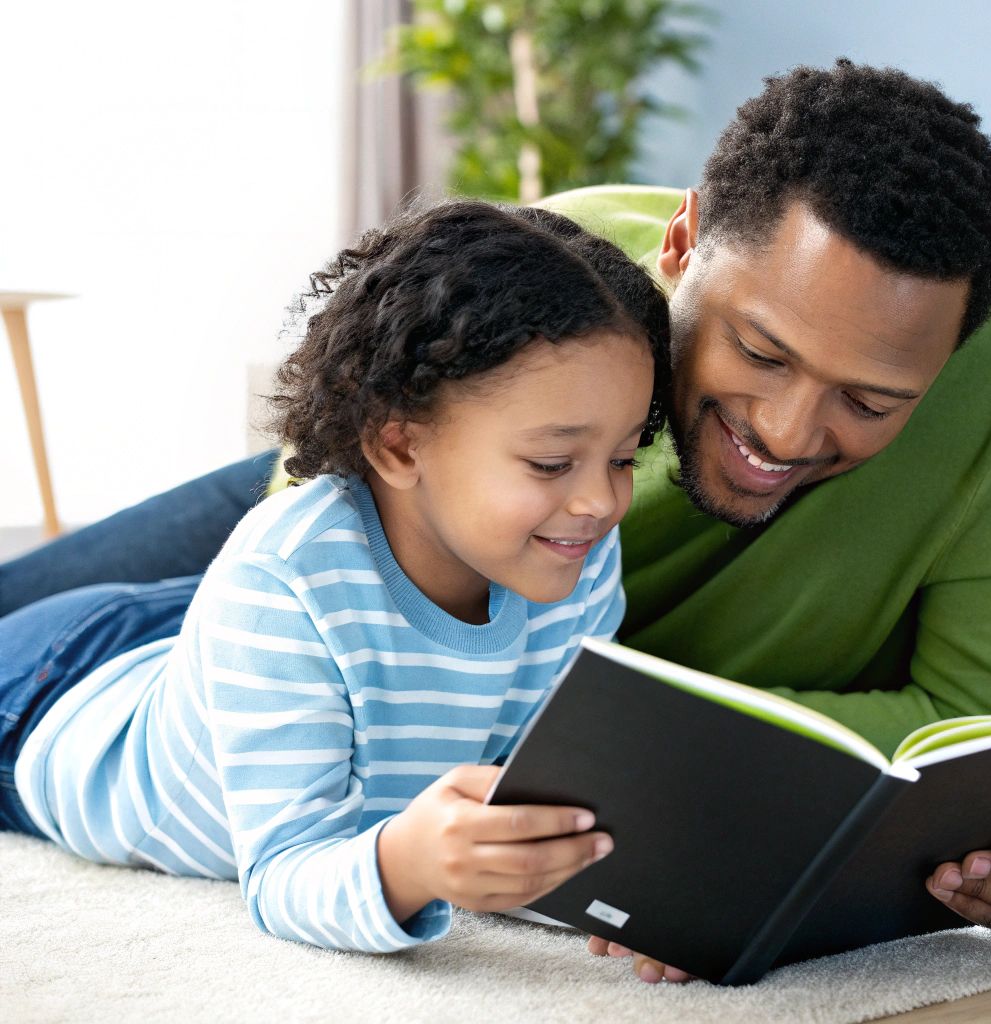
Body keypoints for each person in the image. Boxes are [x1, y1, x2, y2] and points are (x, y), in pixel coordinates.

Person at [0, 61, 991, 984]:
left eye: (870, 401)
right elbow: (330, 540)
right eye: (759, 352)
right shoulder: (554, 279)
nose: (783, 427)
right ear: (679, 252)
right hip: (354, 538)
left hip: (490, 615)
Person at [0, 201, 667, 953]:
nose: (600, 501)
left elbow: (523, 807)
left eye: (624, 457)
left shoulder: (572, 557)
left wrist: (633, 895)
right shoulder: (284, 575)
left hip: (222, 645)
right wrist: (409, 864)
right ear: (399, 445)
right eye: (552, 463)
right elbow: (283, 875)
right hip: (51, 700)